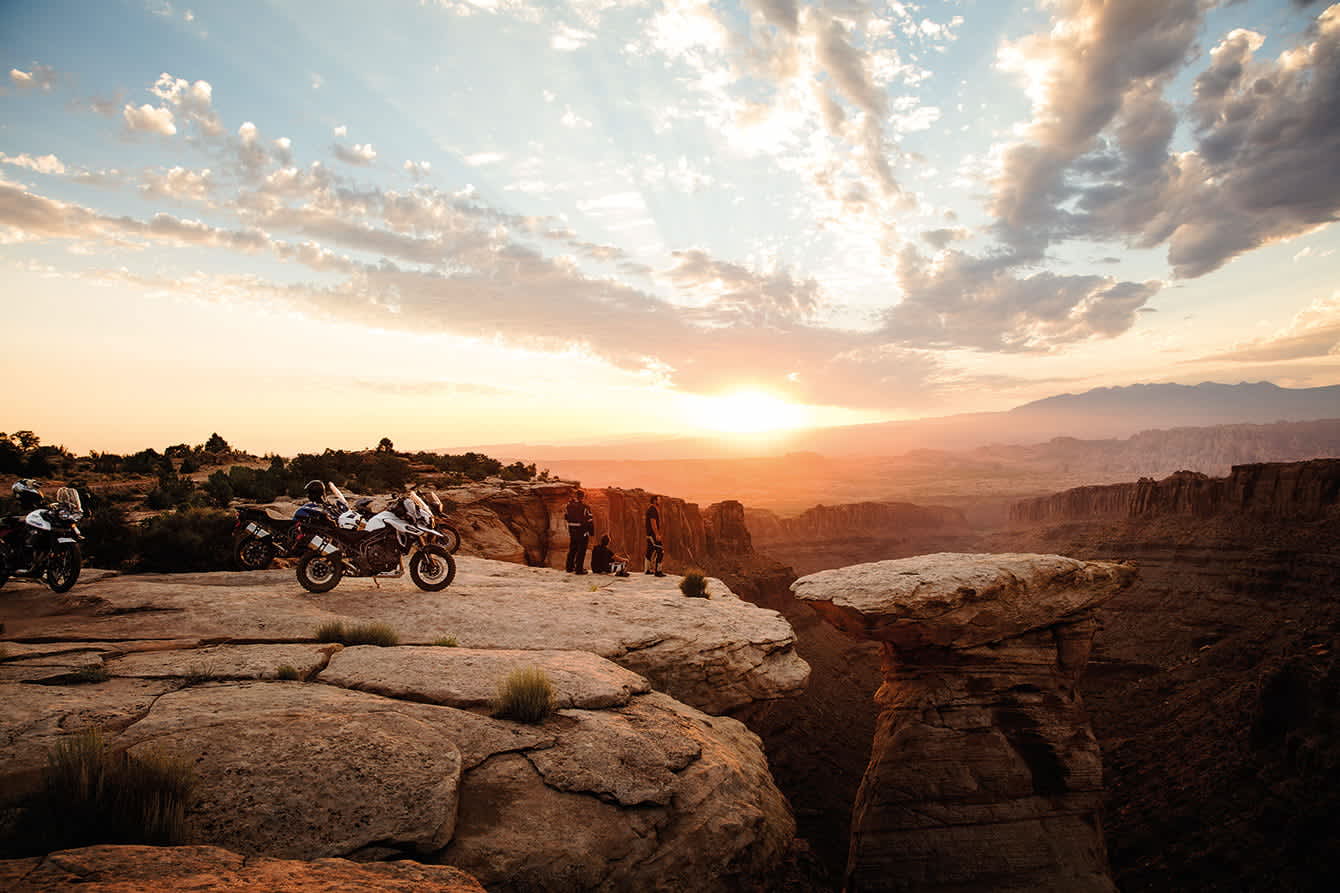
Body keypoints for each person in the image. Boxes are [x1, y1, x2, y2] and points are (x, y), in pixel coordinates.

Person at [564, 489, 594, 574]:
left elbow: (566, 517)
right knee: (581, 551)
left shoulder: (568, 506)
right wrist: (591, 532)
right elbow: (590, 520)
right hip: (582, 531)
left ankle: (569, 567)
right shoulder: (585, 507)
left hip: (572, 530)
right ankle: (579, 569)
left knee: (572, 549)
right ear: (582, 497)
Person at [644, 494, 665, 577]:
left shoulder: (650, 509)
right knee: (660, 551)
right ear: (654, 501)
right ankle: (658, 571)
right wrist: (657, 534)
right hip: (653, 535)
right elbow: (653, 523)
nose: (660, 501)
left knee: (650, 550)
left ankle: (647, 570)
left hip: (649, 534)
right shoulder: (652, 510)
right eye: (658, 500)